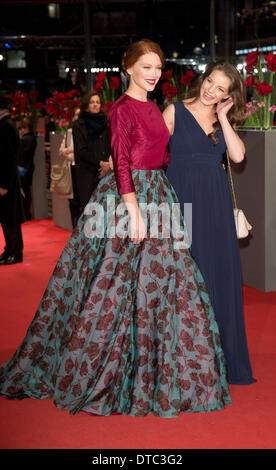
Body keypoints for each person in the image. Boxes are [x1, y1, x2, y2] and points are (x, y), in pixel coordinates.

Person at [0, 40, 231, 416]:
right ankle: (108, 368)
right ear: (128, 69)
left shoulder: (154, 106)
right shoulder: (122, 108)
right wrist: (135, 212)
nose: (154, 74)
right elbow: (122, 162)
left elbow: (164, 154)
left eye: (158, 67)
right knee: (115, 282)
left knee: (164, 285)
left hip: (159, 194)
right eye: (146, 67)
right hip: (129, 201)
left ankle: (156, 370)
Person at [163, 61, 256, 385]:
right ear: (203, 79)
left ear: (228, 96)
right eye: (210, 82)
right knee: (185, 277)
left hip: (215, 207)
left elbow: (239, 157)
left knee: (217, 276)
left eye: (220, 88)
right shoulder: (174, 111)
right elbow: (152, 152)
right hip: (181, 204)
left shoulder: (220, 119)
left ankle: (219, 360)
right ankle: (185, 361)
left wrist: (221, 117)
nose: (210, 90)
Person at [72, 92, 111, 218]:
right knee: (90, 213)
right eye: (92, 102)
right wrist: (100, 162)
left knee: (106, 211)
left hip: (105, 172)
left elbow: (110, 145)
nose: (95, 105)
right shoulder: (79, 124)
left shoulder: (106, 122)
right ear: (86, 105)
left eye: (98, 102)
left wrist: (108, 164)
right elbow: (81, 151)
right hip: (87, 173)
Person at [0, 93, 25, 266]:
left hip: (6, 180)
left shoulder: (6, 125)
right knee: (7, 218)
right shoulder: (6, 124)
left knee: (11, 218)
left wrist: (4, 184)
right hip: (6, 179)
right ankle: (10, 250)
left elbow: (8, 157)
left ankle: (14, 252)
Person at [58, 107, 81, 229]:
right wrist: (72, 152)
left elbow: (81, 151)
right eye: (75, 115)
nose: (77, 117)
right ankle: (74, 228)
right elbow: (61, 150)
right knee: (72, 202)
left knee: (83, 201)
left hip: (82, 170)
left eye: (79, 114)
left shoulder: (86, 132)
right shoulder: (69, 132)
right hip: (70, 170)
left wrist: (71, 153)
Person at [17, 118, 37, 221]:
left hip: (22, 169)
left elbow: (18, 152)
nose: (21, 131)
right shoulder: (31, 138)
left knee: (22, 192)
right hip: (26, 168)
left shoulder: (26, 139)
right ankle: (25, 213)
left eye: (22, 128)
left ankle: (24, 214)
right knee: (25, 191)